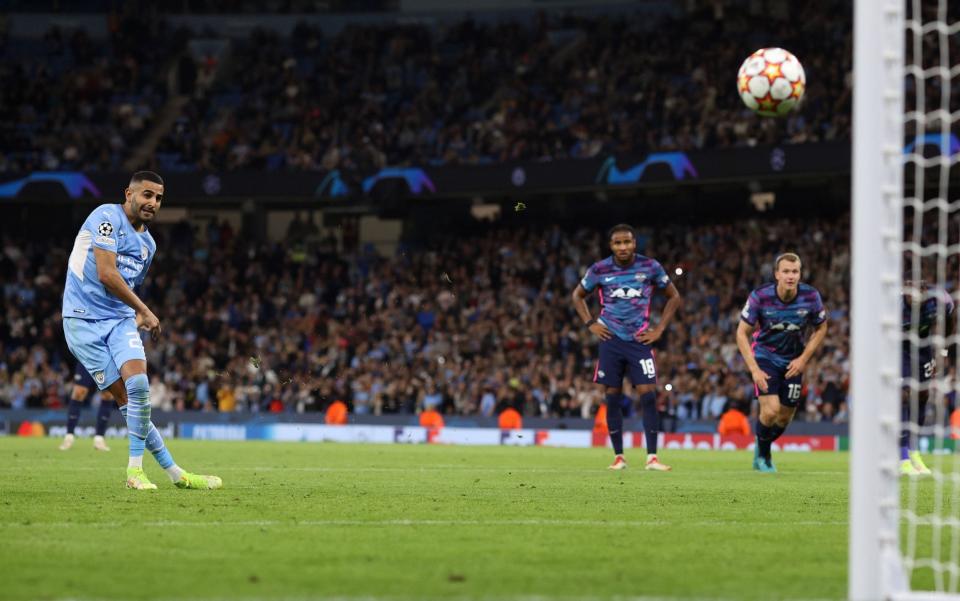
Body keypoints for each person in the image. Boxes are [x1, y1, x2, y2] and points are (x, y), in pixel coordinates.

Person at [61, 170, 221, 490]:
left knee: (139, 387)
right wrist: (144, 310)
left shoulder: (148, 244)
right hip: (82, 321)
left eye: (159, 198)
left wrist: (135, 317)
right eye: (147, 195)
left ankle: (137, 472)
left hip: (119, 319)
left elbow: (128, 286)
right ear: (129, 194)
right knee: (123, 397)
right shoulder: (105, 217)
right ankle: (175, 472)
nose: (153, 203)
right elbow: (107, 274)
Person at [572, 224, 682, 471]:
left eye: (627, 242)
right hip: (610, 339)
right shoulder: (599, 269)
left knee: (649, 394)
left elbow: (674, 296)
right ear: (611, 246)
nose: (623, 247)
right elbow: (577, 295)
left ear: (635, 243)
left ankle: (652, 457)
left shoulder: (650, 267)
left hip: (639, 340)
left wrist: (660, 329)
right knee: (612, 396)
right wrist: (590, 323)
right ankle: (619, 457)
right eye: (617, 243)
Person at [736, 252, 828, 473]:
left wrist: (803, 359)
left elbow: (821, 328)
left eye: (795, 271)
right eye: (786, 271)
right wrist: (755, 370)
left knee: (785, 417)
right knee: (771, 411)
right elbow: (741, 333)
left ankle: (761, 443)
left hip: (793, 361)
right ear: (777, 274)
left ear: (800, 274)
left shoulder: (811, 296)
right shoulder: (760, 296)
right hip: (765, 357)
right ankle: (764, 458)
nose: (790, 276)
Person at [900, 280, 955, 475]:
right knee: (904, 395)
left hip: (923, 347)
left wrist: (943, 352)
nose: (912, 296)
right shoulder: (893, 304)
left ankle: (914, 452)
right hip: (897, 348)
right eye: (908, 292)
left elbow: (950, 321)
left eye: (917, 292)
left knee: (923, 396)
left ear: (924, 291)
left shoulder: (940, 300)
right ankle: (902, 456)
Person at [58, 364, 115, 451]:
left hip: (106, 359)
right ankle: (69, 436)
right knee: (79, 392)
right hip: (86, 356)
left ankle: (99, 438)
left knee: (108, 394)